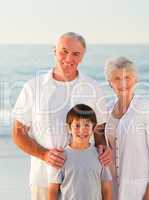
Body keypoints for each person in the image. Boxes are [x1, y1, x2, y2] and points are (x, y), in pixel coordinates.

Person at [12, 32, 112, 200]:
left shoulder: (93, 88)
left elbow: (99, 129)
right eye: (63, 51)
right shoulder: (33, 87)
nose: (68, 58)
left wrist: (104, 148)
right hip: (43, 179)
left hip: (84, 184)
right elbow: (18, 133)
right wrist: (44, 154)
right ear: (54, 51)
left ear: (82, 56)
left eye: (76, 54)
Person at [104, 57, 149, 200]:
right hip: (114, 188)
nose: (122, 83)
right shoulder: (106, 110)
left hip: (140, 189)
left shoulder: (147, 108)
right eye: (116, 78)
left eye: (127, 77)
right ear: (110, 83)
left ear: (135, 80)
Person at [48, 104, 112, 200]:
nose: (82, 130)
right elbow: (53, 190)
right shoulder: (61, 157)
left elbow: (106, 188)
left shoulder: (100, 155)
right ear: (69, 128)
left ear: (93, 128)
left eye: (87, 125)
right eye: (77, 125)